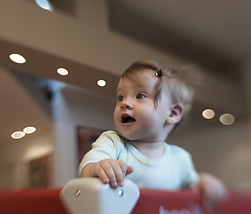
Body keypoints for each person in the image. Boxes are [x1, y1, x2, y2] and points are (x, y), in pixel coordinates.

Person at [79, 60, 227, 208]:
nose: (124, 103)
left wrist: (204, 182)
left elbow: (192, 191)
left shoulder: (180, 159)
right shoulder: (112, 143)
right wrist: (97, 167)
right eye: (121, 97)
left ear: (173, 113)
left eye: (140, 96)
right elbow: (89, 165)